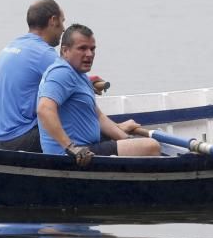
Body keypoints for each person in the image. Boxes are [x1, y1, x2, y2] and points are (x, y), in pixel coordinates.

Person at [37, 24, 159, 166]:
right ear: (65, 50)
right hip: (73, 156)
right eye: (82, 48)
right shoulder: (61, 73)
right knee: (152, 147)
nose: (89, 54)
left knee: (139, 144)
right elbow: (44, 109)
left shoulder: (79, 74)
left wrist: (127, 139)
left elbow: (99, 117)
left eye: (92, 49)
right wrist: (71, 147)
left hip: (88, 148)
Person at [0, 0, 65, 151]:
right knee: (79, 126)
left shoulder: (13, 44)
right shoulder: (44, 54)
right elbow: (74, 83)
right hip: (16, 141)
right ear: (53, 20)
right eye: (62, 21)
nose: (64, 29)